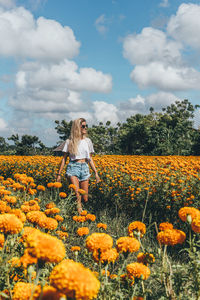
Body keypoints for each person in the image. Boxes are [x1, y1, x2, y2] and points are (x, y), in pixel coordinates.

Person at [56, 118, 100, 214]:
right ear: (77, 127)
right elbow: (64, 159)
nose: (85, 128)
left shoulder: (88, 141)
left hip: (84, 168)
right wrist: (59, 174)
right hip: (73, 167)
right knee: (77, 195)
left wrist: (96, 173)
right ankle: (78, 217)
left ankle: (73, 210)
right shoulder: (69, 142)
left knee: (85, 198)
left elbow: (90, 158)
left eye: (86, 126)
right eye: (83, 126)